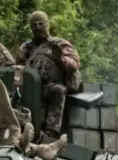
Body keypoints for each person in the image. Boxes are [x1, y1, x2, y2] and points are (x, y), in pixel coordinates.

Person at [15, 11, 82, 140]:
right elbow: (17, 66)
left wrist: (61, 59)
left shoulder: (59, 44)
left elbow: (75, 63)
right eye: (34, 24)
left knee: (59, 90)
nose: (38, 27)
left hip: (50, 86)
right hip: (31, 88)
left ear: (47, 24)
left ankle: (51, 132)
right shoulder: (26, 47)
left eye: (41, 24)